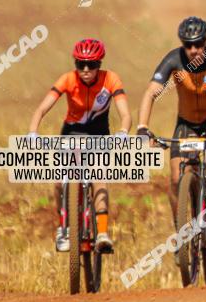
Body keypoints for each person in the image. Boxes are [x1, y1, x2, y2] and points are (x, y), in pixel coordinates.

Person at [137, 16, 206, 226]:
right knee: (177, 179)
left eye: (198, 44)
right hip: (187, 122)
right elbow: (151, 93)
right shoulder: (173, 59)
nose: (194, 49)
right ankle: (182, 233)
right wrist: (142, 127)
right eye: (188, 45)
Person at [28, 38, 131, 252]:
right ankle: (62, 229)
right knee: (58, 180)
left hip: (99, 134)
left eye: (91, 65)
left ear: (99, 65)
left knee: (99, 177)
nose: (85, 70)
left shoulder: (110, 79)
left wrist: (123, 132)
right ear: (75, 64)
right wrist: (33, 132)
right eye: (80, 64)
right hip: (71, 133)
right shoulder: (67, 79)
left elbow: (125, 114)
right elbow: (41, 109)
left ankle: (102, 233)